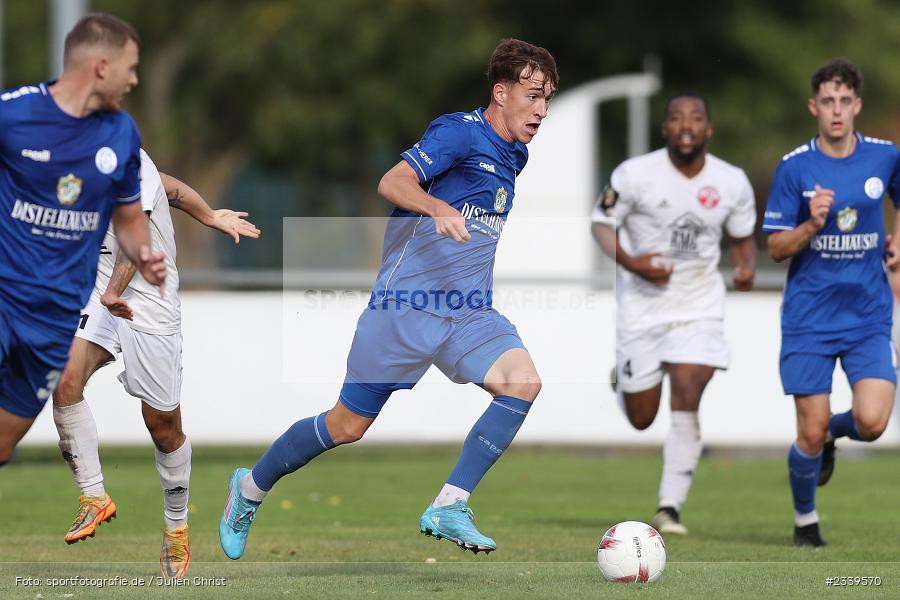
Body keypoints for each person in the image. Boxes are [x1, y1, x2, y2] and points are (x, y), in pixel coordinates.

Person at [218, 38, 558, 560]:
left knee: (524, 382)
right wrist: (435, 207)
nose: (541, 109)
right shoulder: (457, 134)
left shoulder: (516, 155)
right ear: (501, 91)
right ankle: (248, 489)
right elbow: (393, 182)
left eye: (548, 99)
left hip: (467, 315)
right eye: (533, 94)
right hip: (406, 308)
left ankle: (450, 504)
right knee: (346, 425)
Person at [52, 148, 260, 576]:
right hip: (98, 289)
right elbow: (173, 187)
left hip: (149, 296)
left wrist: (114, 293)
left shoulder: (125, 158)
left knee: (162, 427)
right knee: (65, 380)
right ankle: (93, 495)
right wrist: (209, 215)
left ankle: (176, 528)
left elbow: (138, 236)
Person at [0, 14, 165, 463]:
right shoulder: (13, 114)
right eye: (130, 68)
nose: (133, 79)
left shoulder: (121, 134)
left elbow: (130, 216)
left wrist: (143, 253)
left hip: (54, 320)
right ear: (101, 66)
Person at [591, 94, 757, 535]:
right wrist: (633, 263)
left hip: (699, 307)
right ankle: (624, 382)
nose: (687, 125)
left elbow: (742, 238)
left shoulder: (732, 181)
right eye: (677, 118)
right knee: (643, 418)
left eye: (697, 118)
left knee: (688, 391)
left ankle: (669, 508)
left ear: (708, 130)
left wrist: (745, 267)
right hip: (641, 311)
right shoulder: (634, 175)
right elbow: (601, 224)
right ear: (664, 129)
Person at [763, 59, 900, 547]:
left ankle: (832, 439)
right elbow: (775, 248)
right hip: (809, 318)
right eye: (827, 102)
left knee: (873, 421)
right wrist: (810, 226)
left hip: (867, 314)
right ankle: (806, 523)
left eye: (845, 101)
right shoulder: (795, 167)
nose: (836, 110)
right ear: (813, 106)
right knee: (808, 430)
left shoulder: (885, 157)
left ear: (857, 106)